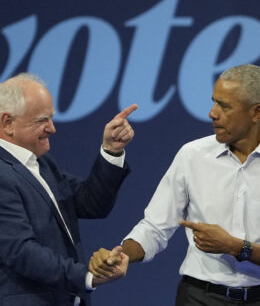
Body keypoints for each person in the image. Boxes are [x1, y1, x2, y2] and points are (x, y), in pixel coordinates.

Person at [89, 64, 260, 305]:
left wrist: (237, 247)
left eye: (225, 106)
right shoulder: (192, 155)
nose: (212, 113)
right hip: (199, 298)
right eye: (214, 102)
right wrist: (123, 254)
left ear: (256, 113)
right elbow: (154, 227)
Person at [0, 72, 137, 306]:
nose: (52, 128)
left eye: (51, 119)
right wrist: (87, 275)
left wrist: (111, 150)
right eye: (42, 120)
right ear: (8, 123)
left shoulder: (42, 163)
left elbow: (91, 203)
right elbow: (20, 250)